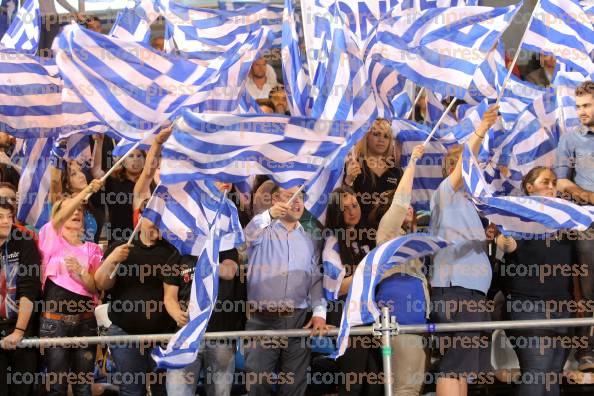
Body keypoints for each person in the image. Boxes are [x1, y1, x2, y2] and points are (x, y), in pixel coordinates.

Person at [429, 105, 499, 396]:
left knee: (463, 367)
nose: (467, 169)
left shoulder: (471, 205)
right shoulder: (446, 193)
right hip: (456, 290)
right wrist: (482, 129)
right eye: (458, 165)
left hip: (471, 292)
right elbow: (464, 164)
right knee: (454, 363)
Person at [243, 184, 329, 396]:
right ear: (275, 200)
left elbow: (316, 281)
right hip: (262, 321)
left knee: (294, 387)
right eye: (291, 197)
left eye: (301, 197)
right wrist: (268, 215)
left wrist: (319, 314)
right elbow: (243, 238)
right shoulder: (262, 231)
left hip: (298, 320)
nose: (298, 202)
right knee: (257, 385)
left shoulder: (310, 240)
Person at [497, 167, 573, 396]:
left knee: (552, 376)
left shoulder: (565, 217)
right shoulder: (518, 215)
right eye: (545, 182)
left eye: (554, 182)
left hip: (562, 307)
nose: (552, 187)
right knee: (537, 372)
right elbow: (507, 245)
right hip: (529, 305)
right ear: (529, 187)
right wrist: (506, 238)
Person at [164, 182, 246, 396]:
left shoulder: (226, 249)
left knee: (220, 393)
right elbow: (169, 295)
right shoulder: (179, 252)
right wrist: (175, 313)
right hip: (186, 335)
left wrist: (208, 261)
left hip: (219, 334)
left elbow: (229, 272)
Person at [94, 217, 176, 396]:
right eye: (154, 219)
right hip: (125, 332)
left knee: (162, 390)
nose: (158, 224)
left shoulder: (173, 251)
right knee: (131, 390)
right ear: (141, 219)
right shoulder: (122, 246)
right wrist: (112, 260)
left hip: (164, 335)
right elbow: (101, 284)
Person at [38, 179, 104, 396]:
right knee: (56, 387)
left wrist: (81, 273)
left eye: (79, 210)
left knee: (83, 386)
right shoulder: (50, 237)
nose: (76, 213)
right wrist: (87, 190)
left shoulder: (93, 248)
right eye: (70, 210)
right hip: (55, 324)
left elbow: (95, 287)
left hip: (86, 322)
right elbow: (59, 218)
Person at [375, 145, 429, 396]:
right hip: (401, 322)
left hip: (415, 323)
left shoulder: (409, 240)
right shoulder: (387, 232)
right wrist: (414, 161)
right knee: (405, 388)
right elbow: (400, 200)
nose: (409, 207)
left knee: (411, 388)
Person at [323, 186, 381, 396]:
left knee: (375, 384)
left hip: (371, 315)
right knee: (353, 384)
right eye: (345, 208)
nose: (352, 211)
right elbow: (333, 289)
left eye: (355, 205)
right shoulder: (332, 242)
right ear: (337, 213)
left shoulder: (367, 237)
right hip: (347, 317)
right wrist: (366, 273)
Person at [554, 80, 594, 371]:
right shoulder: (570, 139)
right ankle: (586, 351)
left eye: (587, 105)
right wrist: (584, 195)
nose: (581, 111)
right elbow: (561, 180)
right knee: (587, 286)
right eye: (578, 106)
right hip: (586, 219)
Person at [0, 196, 41, 396]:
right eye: (0, 217)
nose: (6, 221)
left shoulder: (23, 240)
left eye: (9, 216)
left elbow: (29, 290)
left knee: (22, 390)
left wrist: (18, 331)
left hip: (21, 328)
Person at [344, 118, 403, 227]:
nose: (381, 139)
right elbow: (341, 202)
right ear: (366, 137)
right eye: (376, 134)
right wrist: (348, 181)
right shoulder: (353, 165)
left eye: (386, 136)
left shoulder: (396, 172)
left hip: (388, 233)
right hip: (359, 234)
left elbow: (402, 205)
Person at [92, 138, 146, 244]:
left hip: (144, 241)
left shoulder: (149, 183)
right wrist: (99, 143)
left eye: (139, 156)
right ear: (123, 160)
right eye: (130, 156)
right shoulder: (113, 180)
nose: (136, 159)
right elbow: (97, 172)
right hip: (118, 240)